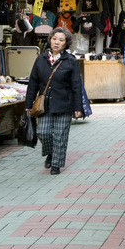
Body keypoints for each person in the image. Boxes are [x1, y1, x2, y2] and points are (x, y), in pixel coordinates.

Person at [25, 28, 82, 175]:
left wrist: (78, 107)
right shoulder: (41, 59)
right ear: (50, 40)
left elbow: (76, 85)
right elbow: (33, 83)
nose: (57, 42)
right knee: (43, 132)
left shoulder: (70, 61)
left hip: (65, 104)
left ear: (66, 43)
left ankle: (56, 164)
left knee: (60, 135)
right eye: (55, 39)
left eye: (61, 40)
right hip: (45, 105)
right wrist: (28, 104)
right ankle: (50, 153)